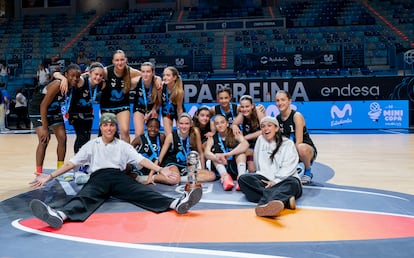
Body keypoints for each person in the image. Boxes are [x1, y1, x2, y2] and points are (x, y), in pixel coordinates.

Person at [28, 113, 203, 229]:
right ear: (101, 128)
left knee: (140, 191)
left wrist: (160, 169)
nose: (109, 128)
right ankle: (59, 215)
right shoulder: (91, 145)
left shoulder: (123, 146)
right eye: (106, 125)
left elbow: (141, 160)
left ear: (115, 128)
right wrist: (49, 176)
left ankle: (176, 204)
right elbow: (71, 164)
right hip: (98, 177)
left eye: (112, 125)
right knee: (86, 195)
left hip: (118, 177)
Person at [238, 116, 302, 217]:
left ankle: (264, 205)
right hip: (265, 180)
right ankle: (284, 200)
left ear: (276, 128)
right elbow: (257, 160)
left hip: (284, 179)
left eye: (269, 125)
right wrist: (264, 178)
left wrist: (275, 182)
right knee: (243, 179)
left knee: (293, 183)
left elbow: (289, 166)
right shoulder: (260, 139)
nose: (265, 128)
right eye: (262, 126)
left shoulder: (288, 144)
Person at [28, 64, 82, 176]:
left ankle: (60, 169)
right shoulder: (58, 84)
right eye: (72, 76)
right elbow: (43, 105)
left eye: (77, 76)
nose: (75, 79)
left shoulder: (74, 84)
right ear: (66, 75)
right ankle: (38, 172)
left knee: (62, 138)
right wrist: (45, 127)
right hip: (38, 109)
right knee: (44, 140)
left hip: (53, 109)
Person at [54, 62, 105, 154]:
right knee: (81, 136)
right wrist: (63, 78)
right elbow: (55, 74)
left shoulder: (101, 84)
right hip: (75, 114)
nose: (98, 77)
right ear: (89, 73)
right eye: (96, 74)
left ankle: (83, 160)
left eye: (101, 75)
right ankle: (78, 160)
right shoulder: (81, 80)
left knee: (87, 138)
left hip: (88, 114)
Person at [157, 113, 215, 185]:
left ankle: (180, 178)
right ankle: (152, 177)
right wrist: (157, 170)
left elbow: (201, 152)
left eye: (186, 123)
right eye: (181, 123)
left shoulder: (194, 133)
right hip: (172, 164)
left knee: (212, 176)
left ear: (191, 124)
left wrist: (202, 169)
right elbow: (160, 157)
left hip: (186, 166)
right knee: (175, 179)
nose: (184, 126)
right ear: (177, 124)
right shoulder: (171, 136)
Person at [275, 90, 317, 185]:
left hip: (305, 149)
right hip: (290, 149)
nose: (280, 103)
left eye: (283, 100)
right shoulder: (277, 119)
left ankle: (307, 171)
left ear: (289, 101)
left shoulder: (296, 116)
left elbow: (299, 141)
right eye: (277, 100)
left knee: (300, 147)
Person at [204, 114, 249, 191]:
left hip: (233, 165)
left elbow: (245, 144)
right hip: (221, 166)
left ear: (227, 124)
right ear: (215, 126)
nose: (220, 125)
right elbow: (206, 153)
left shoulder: (234, 133)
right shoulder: (212, 138)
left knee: (241, 154)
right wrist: (217, 157)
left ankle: (241, 178)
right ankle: (225, 178)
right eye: (217, 123)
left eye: (222, 122)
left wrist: (228, 154)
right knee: (215, 155)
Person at [232, 95, 265, 172]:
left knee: (241, 152)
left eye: (247, 106)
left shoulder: (258, 111)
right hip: (250, 146)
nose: (245, 109)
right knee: (251, 169)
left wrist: (246, 137)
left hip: (261, 146)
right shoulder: (242, 114)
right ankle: (241, 175)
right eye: (242, 107)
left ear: (252, 106)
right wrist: (234, 126)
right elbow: (234, 124)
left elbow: (265, 130)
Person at [132, 62, 162, 138]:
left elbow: (160, 100)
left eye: (148, 72)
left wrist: (153, 110)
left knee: (153, 132)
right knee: (139, 133)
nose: (145, 74)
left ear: (153, 73)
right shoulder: (136, 81)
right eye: (143, 72)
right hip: (139, 108)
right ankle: (137, 149)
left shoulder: (157, 82)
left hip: (153, 108)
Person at [131, 118, 165, 183]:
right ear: (146, 126)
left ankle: (146, 178)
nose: (153, 129)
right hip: (142, 166)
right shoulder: (140, 138)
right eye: (150, 126)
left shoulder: (161, 137)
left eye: (156, 127)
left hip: (155, 166)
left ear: (159, 128)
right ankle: (142, 177)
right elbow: (129, 149)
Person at [160, 66, 185, 135]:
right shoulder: (161, 86)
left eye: (168, 75)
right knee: (168, 135)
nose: (165, 77)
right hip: (166, 112)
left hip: (177, 113)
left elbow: (179, 109)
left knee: (180, 134)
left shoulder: (179, 91)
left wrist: (181, 120)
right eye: (164, 75)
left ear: (174, 77)